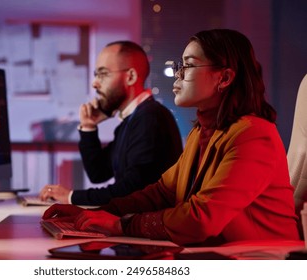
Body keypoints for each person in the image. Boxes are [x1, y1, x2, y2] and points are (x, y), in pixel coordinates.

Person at [41, 29, 301, 246]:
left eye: (187, 66)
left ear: (224, 77)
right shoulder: (203, 132)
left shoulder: (254, 135)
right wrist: (97, 212)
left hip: (263, 262)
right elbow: (161, 192)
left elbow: (201, 218)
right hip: (219, 254)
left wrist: (120, 224)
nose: (178, 74)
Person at [39, 41, 183, 206]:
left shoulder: (150, 118)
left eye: (103, 74)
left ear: (130, 77)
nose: (95, 83)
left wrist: (71, 197)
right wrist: (88, 127)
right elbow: (98, 173)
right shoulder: (132, 119)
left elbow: (132, 191)